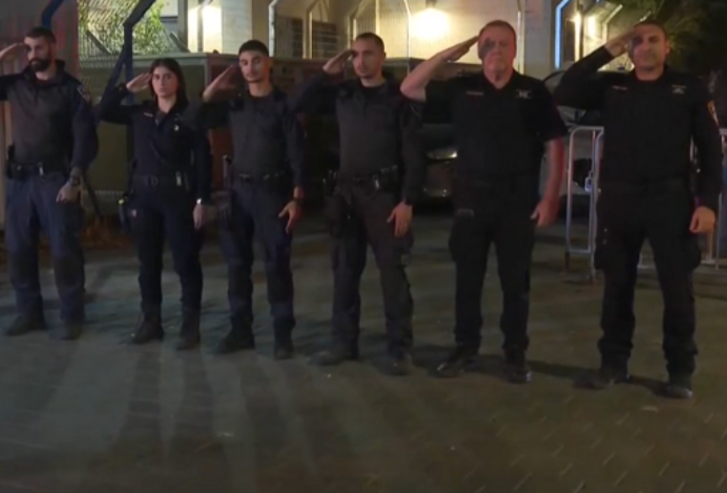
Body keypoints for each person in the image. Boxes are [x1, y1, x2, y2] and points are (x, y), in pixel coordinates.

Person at [554, 21, 724, 399]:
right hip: (620, 200)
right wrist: (606, 51)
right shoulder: (613, 87)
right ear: (629, 50)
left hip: (670, 201)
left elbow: (711, 149)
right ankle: (613, 363)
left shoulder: (688, 89)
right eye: (637, 42)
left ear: (666, 47)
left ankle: (680, 370)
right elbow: (566, 88)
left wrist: (709, 203)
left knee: (677, 290)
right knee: (616, 286)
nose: (645, 47)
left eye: (653, 40)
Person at [399, 21, 567, 383]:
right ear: (478, 50)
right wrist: (446, 55)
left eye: (504, 43)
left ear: (515, 49)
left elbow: (555, 143)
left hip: (517, 200)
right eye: (488, 43)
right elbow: (409, 87)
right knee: (467, 281)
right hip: (471, 199)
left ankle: (515, 354)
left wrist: (551, 195)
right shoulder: (462, 88)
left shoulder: (533, 92)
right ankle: (465, 348)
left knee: (515, 283)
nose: (496, 50)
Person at [288, 32, 423, 375]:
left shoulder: (399, 97)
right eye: (356, 55)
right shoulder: (343, 94)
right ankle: (343, 343)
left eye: (368, 54)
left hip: (384, 197)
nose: (361, 61)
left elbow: (413, 153)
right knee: (345, 272)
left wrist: (407, 200)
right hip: (347, 196)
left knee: (392, 274)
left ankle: (399, 349)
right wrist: (325, 72)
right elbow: (295, 104)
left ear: (382, 56)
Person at [0, 26, 99, 340]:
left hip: (55, 180)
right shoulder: (17, 84)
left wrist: (74, 178)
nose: (33, 54)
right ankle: (29, 313)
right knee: (19, 249)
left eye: (38, 48)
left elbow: (85, 139)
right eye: (28, 49)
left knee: (63, 249)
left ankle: (72, 315)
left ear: (53, 47)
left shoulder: (72, 90)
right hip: (21, 181)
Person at [182, 40, 305, 359]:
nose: (250, 68)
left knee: (276, 264)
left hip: (272, 193)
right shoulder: (235, 104)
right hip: (238, 194)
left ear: (269, 63)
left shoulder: (283, 105)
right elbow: (192, 120)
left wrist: (297, 197)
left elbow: (298, 155)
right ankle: (241, 331)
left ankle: (282, 334)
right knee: (237, 264)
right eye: (244, 62)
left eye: (256, 61)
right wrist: (211, 91)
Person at [96, 58, 211, 350]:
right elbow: (102, 111)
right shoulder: (142, 113)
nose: (161, 82)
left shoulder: (188, 115)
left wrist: (202, 199)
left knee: (185, 261)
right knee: (148, 263)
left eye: (167, 76)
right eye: (156, 77)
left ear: (178, 81)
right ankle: (151, 321)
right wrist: (124, 89)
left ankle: (190, 325)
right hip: (145, 198)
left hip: (177, 197)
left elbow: (203, 160)